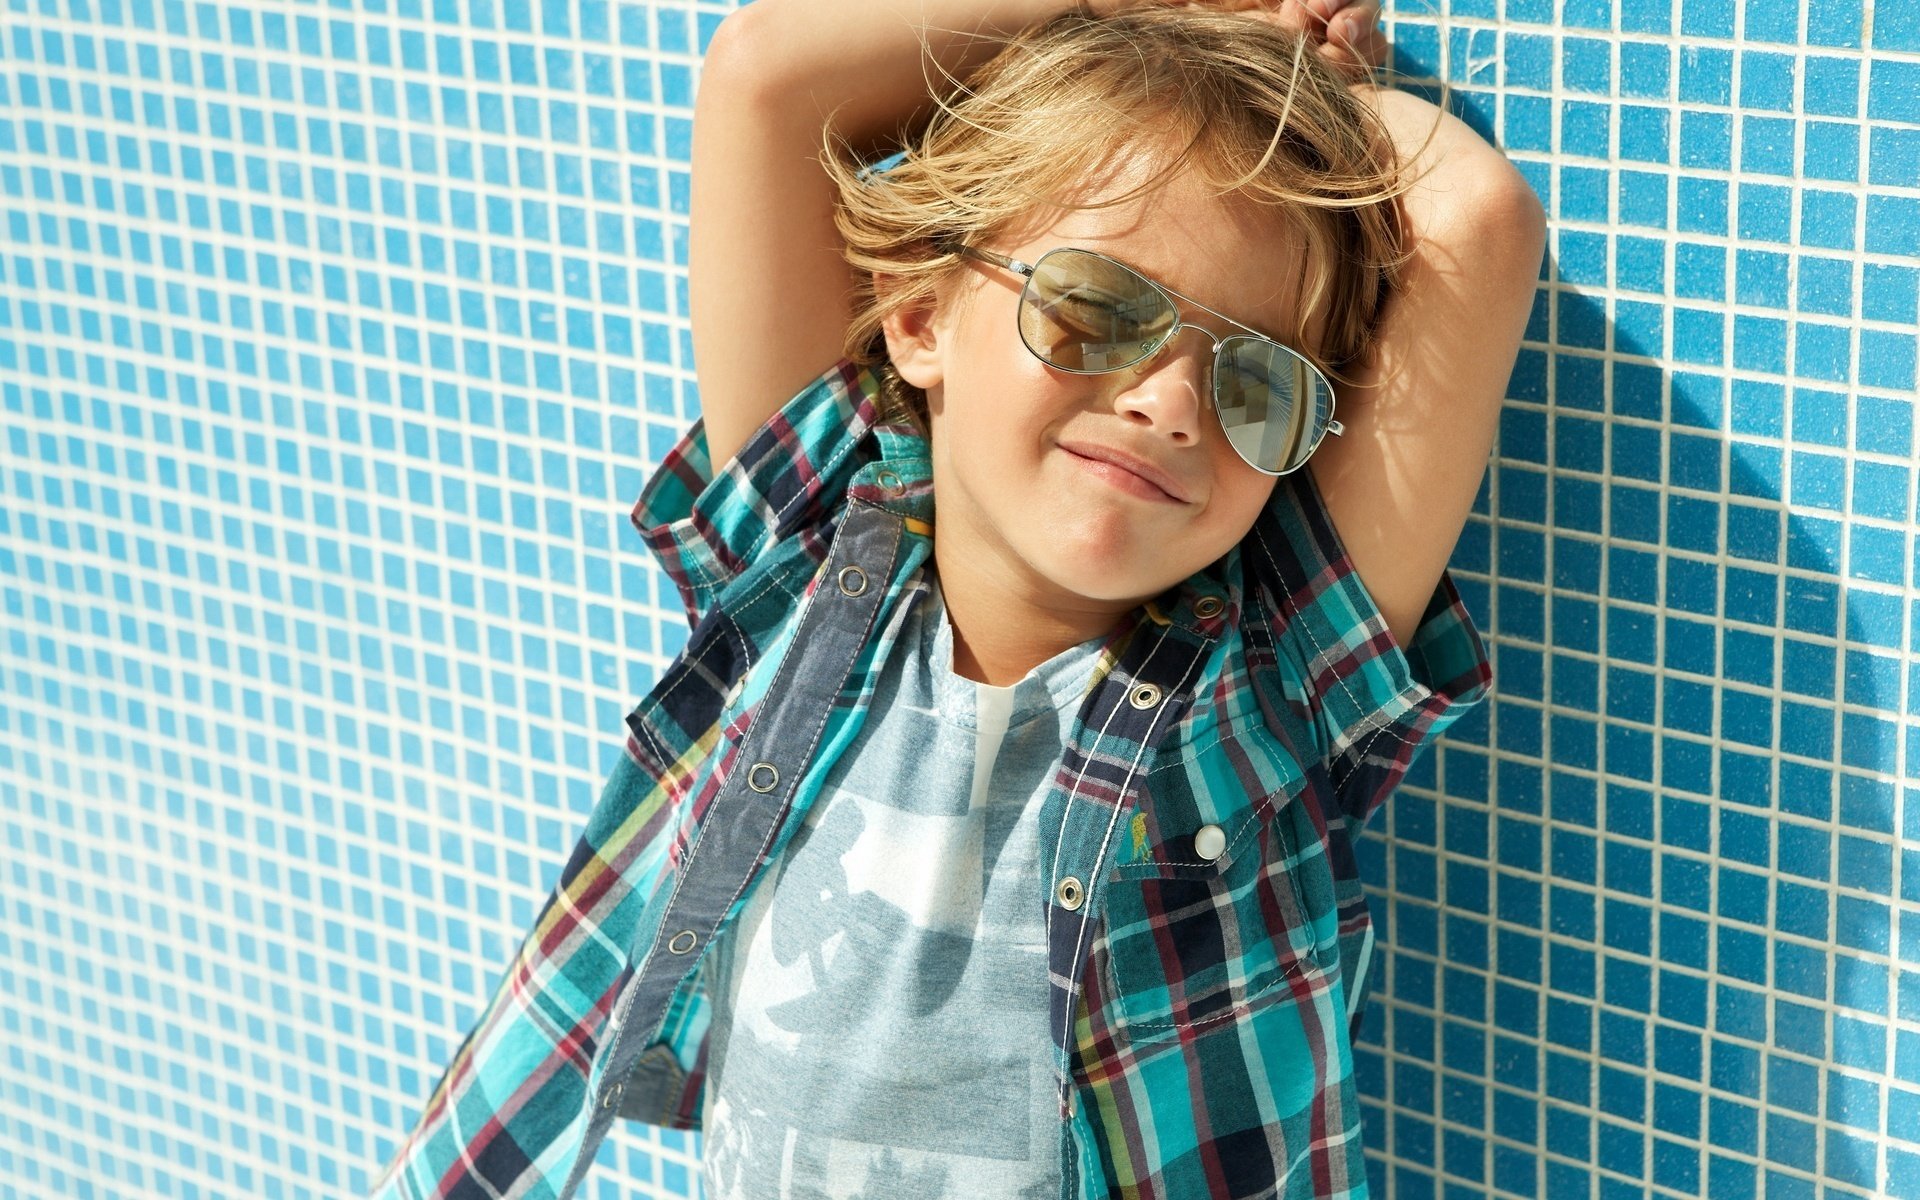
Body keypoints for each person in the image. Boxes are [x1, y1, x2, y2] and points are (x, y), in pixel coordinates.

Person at [368, 1, 1545, 1197]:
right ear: (924, 317)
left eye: (1258, 380)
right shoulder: (807, 564)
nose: (1172, 402)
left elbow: (1475, 223)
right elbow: (767, 77)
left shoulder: (1272, 680)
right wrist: (1156, 15)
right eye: (1097, 307)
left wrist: (1311, 88)